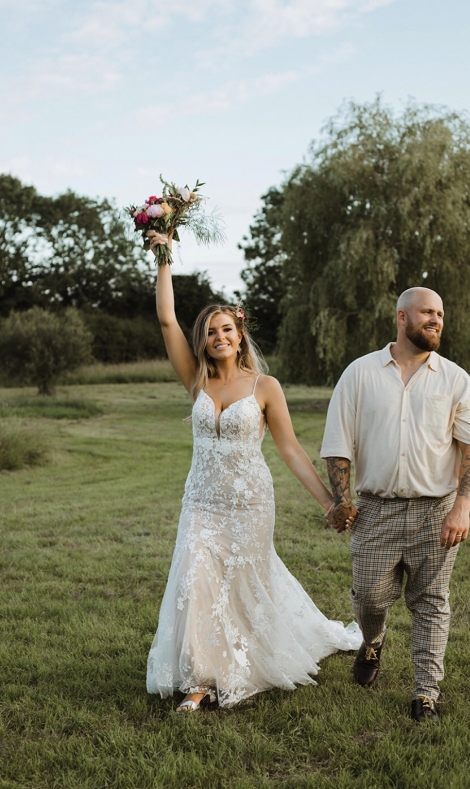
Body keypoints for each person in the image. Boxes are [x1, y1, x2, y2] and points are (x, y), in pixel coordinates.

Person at [146, 229, 362, 712]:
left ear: (239, 333)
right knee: (196, 579)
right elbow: (165, 319)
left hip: (249, 502)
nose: (218, 337)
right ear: (202, 341)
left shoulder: (265, 386)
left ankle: (240, 662)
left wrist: (330, 503)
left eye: (226, 329)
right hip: (201, 499)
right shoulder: (195, 379)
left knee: (242, 585)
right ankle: (201, 680)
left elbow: (289, 450)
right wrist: (163, 254)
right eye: (210, 331)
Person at [321, 287, 470, 722]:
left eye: (440, 314)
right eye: (427, 313)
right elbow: (338, 446)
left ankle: (425, 693)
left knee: (431, 600)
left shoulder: (455, 379)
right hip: (375, 509)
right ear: (401, 317)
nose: (436, 320)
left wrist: (463, 507)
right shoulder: (359, 374)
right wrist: (341, 501)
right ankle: (372, 641)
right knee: (369, 598)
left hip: (438, 511)